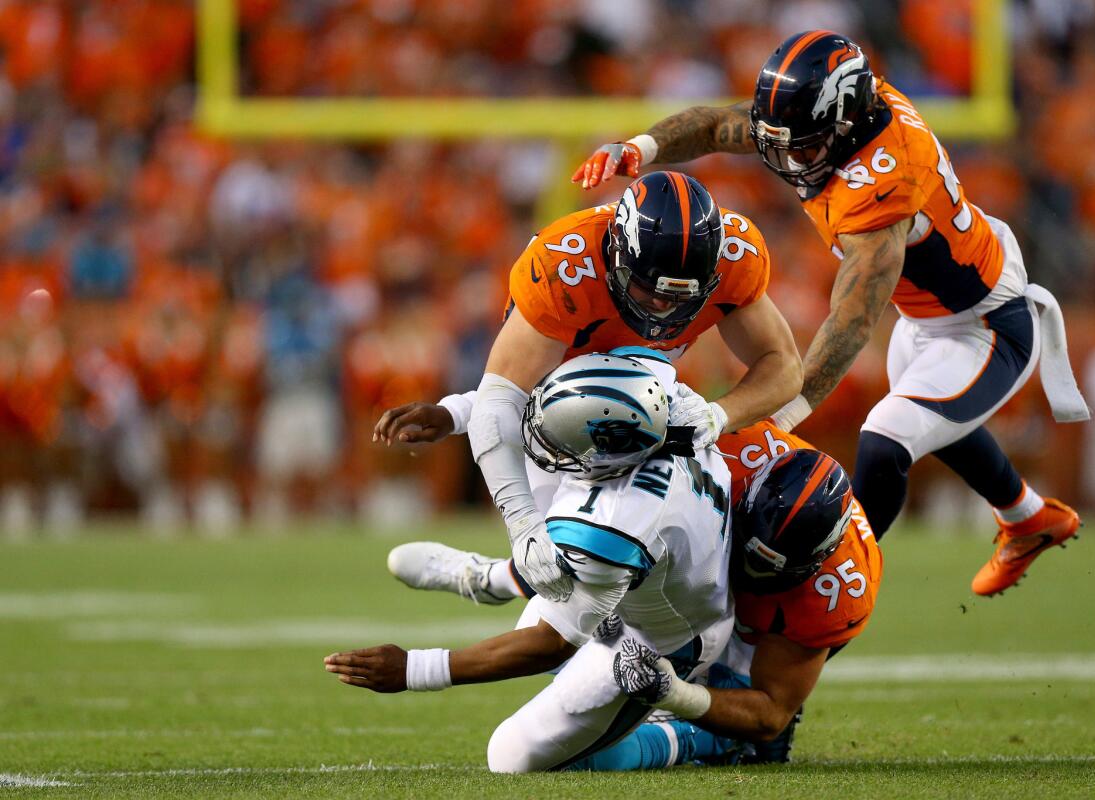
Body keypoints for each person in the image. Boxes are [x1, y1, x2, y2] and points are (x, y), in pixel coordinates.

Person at [573, 31, 1090, 596]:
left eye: (804, 145)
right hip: (930, 314)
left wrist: (787, 411)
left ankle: (840, 581)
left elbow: (852, 319)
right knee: (931, 418)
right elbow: (717, 125)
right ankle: (1030, 518)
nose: (789, 158)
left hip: (985, 324)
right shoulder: (838, 116)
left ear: (843, 124)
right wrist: (641, 148)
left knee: (886, 438)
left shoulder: (883, 179)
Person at [373, 170, 802, 603]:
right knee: (563, 581)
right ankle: (486, 579)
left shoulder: (734, 257)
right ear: (618, 253)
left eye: (680, 297)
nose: (662, 307)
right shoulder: (566, 266)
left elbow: (783, 365)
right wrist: (523, 526)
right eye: (648, 289)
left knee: (655, 573)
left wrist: (718, 414)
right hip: (559, 421)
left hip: (651, 407)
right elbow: (505, 397)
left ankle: (489, 579)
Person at [389, 414, 882, 770]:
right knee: (611, 563)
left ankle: (704, 740)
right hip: (686, 578)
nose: (752, 569)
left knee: (553, 753)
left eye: (768, 567)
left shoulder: (835, 589)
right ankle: (495, 578)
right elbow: (620, 523)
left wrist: (679, 694)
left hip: (738, 636)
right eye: (751, 553)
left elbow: (770, 710)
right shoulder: (731, 451)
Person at [327, 353, 736, 773]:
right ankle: (492, 578)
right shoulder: (661, 401)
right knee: (558, 555)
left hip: (658, 640)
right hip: (655, 578)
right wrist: (454, 413)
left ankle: (699, 738)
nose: (543, 442)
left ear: (606, 454)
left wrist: (414, 669)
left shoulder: (617, 522)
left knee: (511, 755)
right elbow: (569, 398)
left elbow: (549, 643)